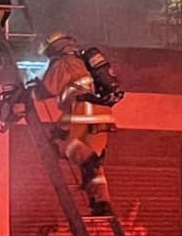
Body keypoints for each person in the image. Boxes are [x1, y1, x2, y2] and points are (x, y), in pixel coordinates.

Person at [30, 31, 118, 215]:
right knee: (95, 167)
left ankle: (87, 158)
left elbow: (44, 91)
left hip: (82, 111)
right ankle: (101, 202)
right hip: (103, 114)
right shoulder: (82, 62)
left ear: (53, 48)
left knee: (58, 141)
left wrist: (26, 90)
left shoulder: (64, 63)